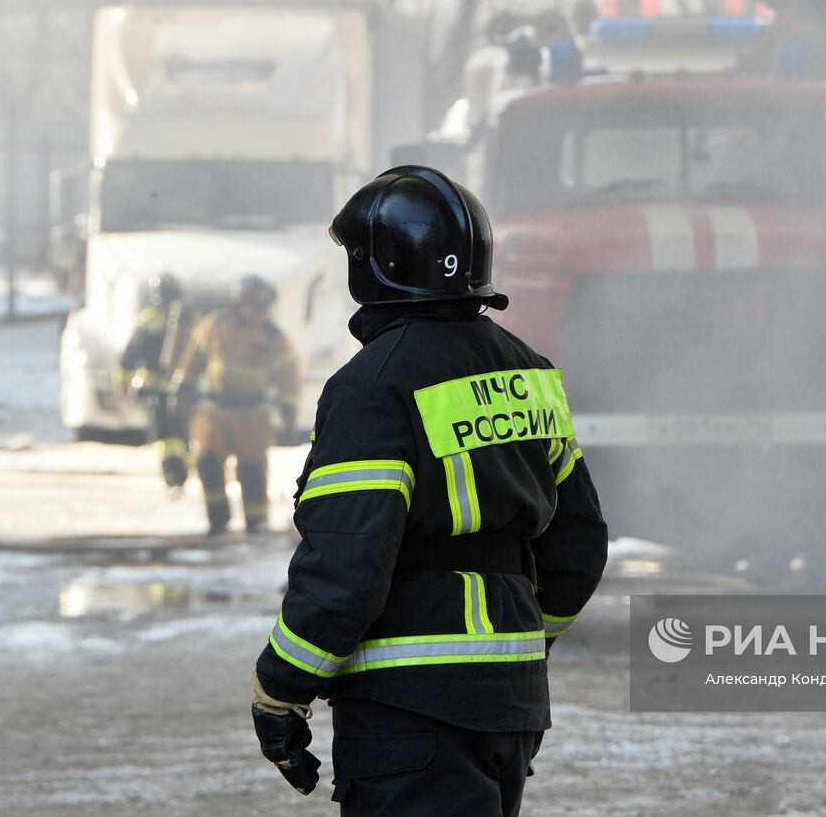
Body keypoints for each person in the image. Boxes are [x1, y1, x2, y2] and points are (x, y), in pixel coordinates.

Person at [249, 165, 608, 814]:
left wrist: (280, 686)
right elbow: (579, 545)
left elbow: (348, 565)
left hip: (409, 708)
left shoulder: (374, 387)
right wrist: (523, 644)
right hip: (512, 704)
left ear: (373, 267)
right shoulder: (530, 372)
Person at [171, 274, 299, 534]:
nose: (248, 311)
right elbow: (193, 356)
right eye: (244, 304)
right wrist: (182, 388)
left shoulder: (273, 337)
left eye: (256, 306)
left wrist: (289, 411)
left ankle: (256, 522)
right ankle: (217, 520)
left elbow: (289, 375)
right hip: (214, 411)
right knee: (207, 461)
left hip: (253, 415)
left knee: (252, 470)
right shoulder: (215, 325)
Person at [115, 272, 193, 492]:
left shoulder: (148, 318)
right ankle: (182, 472)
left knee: (162, 435)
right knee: (181, 431)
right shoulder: (189, 318)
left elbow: (131, 353)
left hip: (154, 389)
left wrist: (121, 381)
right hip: (183, 388)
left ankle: (171, 474)